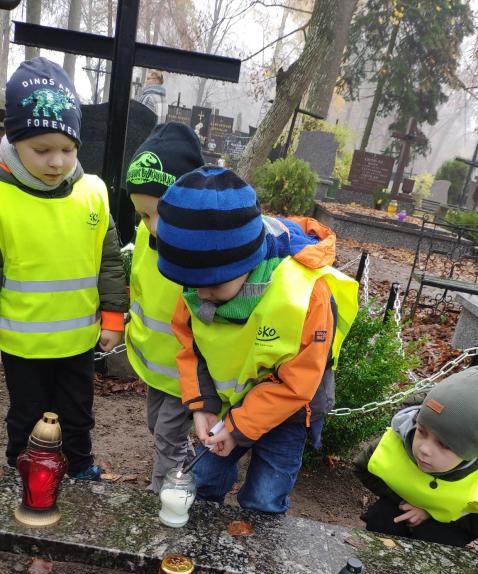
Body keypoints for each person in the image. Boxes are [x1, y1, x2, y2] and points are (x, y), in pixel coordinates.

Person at [156, 166, 358, 513]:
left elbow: (298, 382)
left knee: (264, 496)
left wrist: (239, 426)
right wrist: (202, 405)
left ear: (248, 263)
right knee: (204, 479)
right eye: (190, 284)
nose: (200, 295)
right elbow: (192, 347)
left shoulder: (306, 294)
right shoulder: (200, 279)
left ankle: (255, 542)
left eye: (213, 285)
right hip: (228, 402)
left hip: (290, 411)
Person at [0, 57, 127, 480]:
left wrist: (113, 317)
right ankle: (22, 473)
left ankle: (79, 468)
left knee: (77, 412)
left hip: (78, 340)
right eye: (42, 150)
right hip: (23, 344)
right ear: (13, 140)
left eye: (68, 150)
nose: (57, 162)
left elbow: (109, 261)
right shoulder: (3, 198)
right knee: (26, 415)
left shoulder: (92, 193)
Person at [125, 122, 204, 492]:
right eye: (143, 215)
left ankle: (164, 495)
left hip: (188, 371)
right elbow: (141, 289)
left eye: (161, 214)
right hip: (159, 366)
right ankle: (189, 471)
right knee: (156, 425)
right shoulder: (146, 235)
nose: (153, 226)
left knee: (167, 436)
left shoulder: (202, 246)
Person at [354, 367, 478, 547]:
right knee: (382, 517)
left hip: (453, 522)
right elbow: (362, 467)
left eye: (444, 445)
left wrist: (431, 512)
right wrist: (404, 502)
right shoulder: (403, 436)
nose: (424, 449)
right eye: (422, 431)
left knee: (437, 538)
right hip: (403, 502)